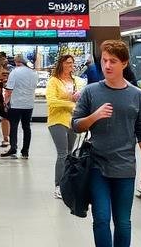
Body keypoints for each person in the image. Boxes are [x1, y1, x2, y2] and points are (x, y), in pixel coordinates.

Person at [72, 40, 141, 247]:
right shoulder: (91, 92)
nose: (107, 65)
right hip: (97, 165)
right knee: (101, 218)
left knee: (123, 222)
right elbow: (76, 125)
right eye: (105, 60)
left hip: (125, 167)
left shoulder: (137, 95)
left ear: (124, 63)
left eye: (113, 61)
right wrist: (94, 117)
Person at [46, 53, 83, 199]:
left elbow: (79, 98)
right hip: (57, 121)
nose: (70, 66)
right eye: (67, 63)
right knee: (62, 154)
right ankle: (59, 186)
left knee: (69, 154)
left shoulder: (76, 81)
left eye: (72, 63)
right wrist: (70, 102)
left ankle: (67, 184)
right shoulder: (53, 81)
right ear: (61, 64)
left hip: (73, 121)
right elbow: (51, 101)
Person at [0, 54, 37, 159]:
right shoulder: (34, 73)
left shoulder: (14, 72)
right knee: (26, 127)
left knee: (14, 126)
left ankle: (13, 148)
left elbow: (9, 90)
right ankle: (25, 151)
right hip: (29, 104)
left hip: (16, 104)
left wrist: (5, 102)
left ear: (16, 62)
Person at [0, 57, 11, 149]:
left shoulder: (10, 70)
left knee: (7, 119)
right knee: (5, 119)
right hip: (1, 99)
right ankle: (6, 138)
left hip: (8, 99)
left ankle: (8, 138)